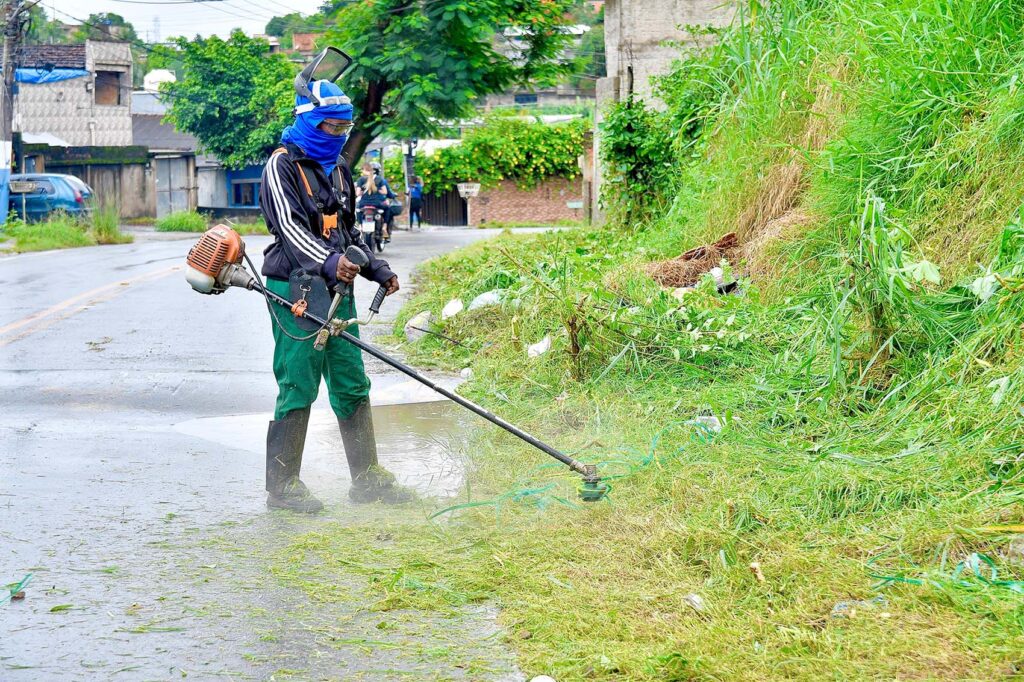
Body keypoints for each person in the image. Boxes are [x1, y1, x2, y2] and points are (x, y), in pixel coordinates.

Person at [258, 78, 412, 513]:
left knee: (350, 380)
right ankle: (282, 485)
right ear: (306, 120)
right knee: (298, 381)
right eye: (329, 127)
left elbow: (346, 230)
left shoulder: (340, 167)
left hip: (337, 289)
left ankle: (368, 479)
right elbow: (289, 230)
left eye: (344, 128)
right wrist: (330, 263)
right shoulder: (281, 165)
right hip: (296, 289)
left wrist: (375, 267)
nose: (338, 135)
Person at [356, 167, 389, 250]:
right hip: (376, 204)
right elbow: (385, 192)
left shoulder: (361, 180)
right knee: (388, 209)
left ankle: (360, 225)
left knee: (358, 210)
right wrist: (378, 190)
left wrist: (363, 192)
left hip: (364, 204)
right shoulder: (379, 179)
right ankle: (384, 226)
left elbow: (357, 193)